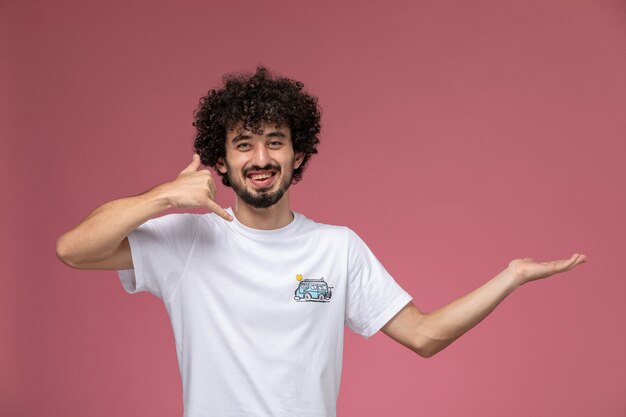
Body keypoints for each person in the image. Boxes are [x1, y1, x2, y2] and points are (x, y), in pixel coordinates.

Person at [56, 66, 586, 417]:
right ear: (222, 162)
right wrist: (165, 197)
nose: (260, 158)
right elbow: (73, 249)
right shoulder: (188, 239)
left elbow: (424, 336)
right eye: (243, 144)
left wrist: (511, 277)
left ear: (299, 155)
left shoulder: (338, 249)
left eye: (275, 143)